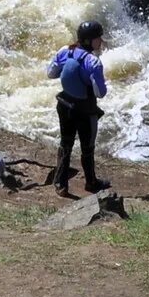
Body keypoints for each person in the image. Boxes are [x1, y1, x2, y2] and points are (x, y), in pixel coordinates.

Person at [48, 21, 109, 193]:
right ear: (90, 41)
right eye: (98, 38)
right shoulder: (93, 62)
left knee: (65, 143)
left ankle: (60, 184)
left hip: (64, 104)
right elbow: (100, 93)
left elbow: (51, 73)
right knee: (87, 148)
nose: (101, 41)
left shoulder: (65, 51)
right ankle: (91, 182)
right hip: (85, 111)